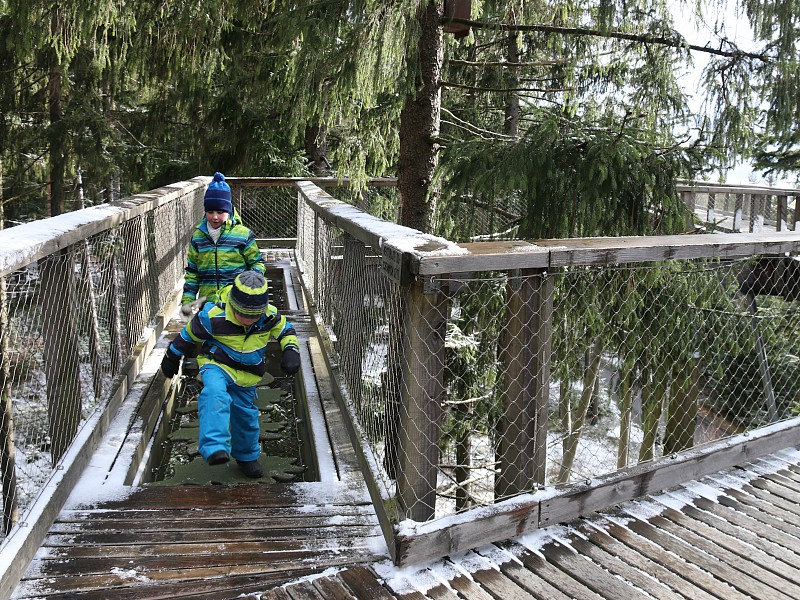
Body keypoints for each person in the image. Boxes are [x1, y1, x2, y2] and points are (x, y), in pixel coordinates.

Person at [161, 270, 302, 478]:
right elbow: (187, 335)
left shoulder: (269, 316)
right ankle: (214, 446)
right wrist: (172, 356)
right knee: (215, 393)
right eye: (243, 315)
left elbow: (286, 331)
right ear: (233, 306)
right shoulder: (212, 316)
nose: (249, 321)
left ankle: (246, 457)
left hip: (248, 374)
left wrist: (291, 350)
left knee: (245, 415)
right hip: (217, 364)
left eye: (254, 316)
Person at [181, 172, 265, 317]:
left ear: (229, 210)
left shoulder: (243, 235)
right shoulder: (198, 238)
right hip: (208, 306)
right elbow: (192, 273)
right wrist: (187, 302)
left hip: (236, 303)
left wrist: (249, 284)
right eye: (210, 212)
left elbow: (257, 263)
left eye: (220, 212)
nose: (215, 217)